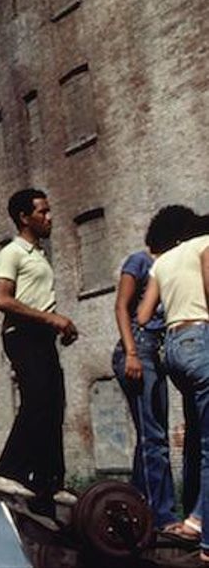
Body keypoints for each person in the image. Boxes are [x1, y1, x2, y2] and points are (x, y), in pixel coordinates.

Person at [0, 188, 78, 514]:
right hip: (22, 335)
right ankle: (6, 473)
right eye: (43, 212)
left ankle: (48, 483)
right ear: (24, 218)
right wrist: (51, 318)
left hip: (41, 336)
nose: (49, 217)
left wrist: (57, 326)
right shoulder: (12, 253)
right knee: (37, 400)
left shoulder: (39, 254)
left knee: (53, 404)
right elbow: (1, 299)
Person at [112, 205, 195, 531]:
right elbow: (122, 307)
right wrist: (132, 353)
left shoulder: (169, 266)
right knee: (154, 438)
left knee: (151, 436)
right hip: (138, 349)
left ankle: (134, 508)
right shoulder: (140, 261)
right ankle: (163, 517)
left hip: (158, 352)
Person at [138, 213, 209, 554]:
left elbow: (143, 315)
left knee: (198, 438)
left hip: (174, 350)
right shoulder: (206, 245)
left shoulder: (162, 262)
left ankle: (195, 520)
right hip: (201, 338)